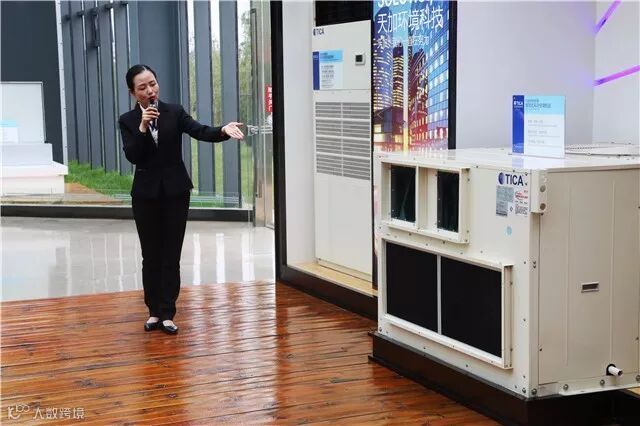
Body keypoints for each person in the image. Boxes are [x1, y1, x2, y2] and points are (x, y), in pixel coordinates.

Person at [119, 64, 244, 335]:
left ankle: (167, 312)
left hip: (175, 192)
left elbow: (200, 131)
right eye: (142, 87)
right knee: (150, 254)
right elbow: (132, 155)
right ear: (133, 92)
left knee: (171, 253)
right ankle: (153, 311)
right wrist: (142, 127)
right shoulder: (128, 120)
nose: (150, 90)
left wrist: (223, 130)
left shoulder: (174, 112)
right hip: (145, 195)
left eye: (152, 83)